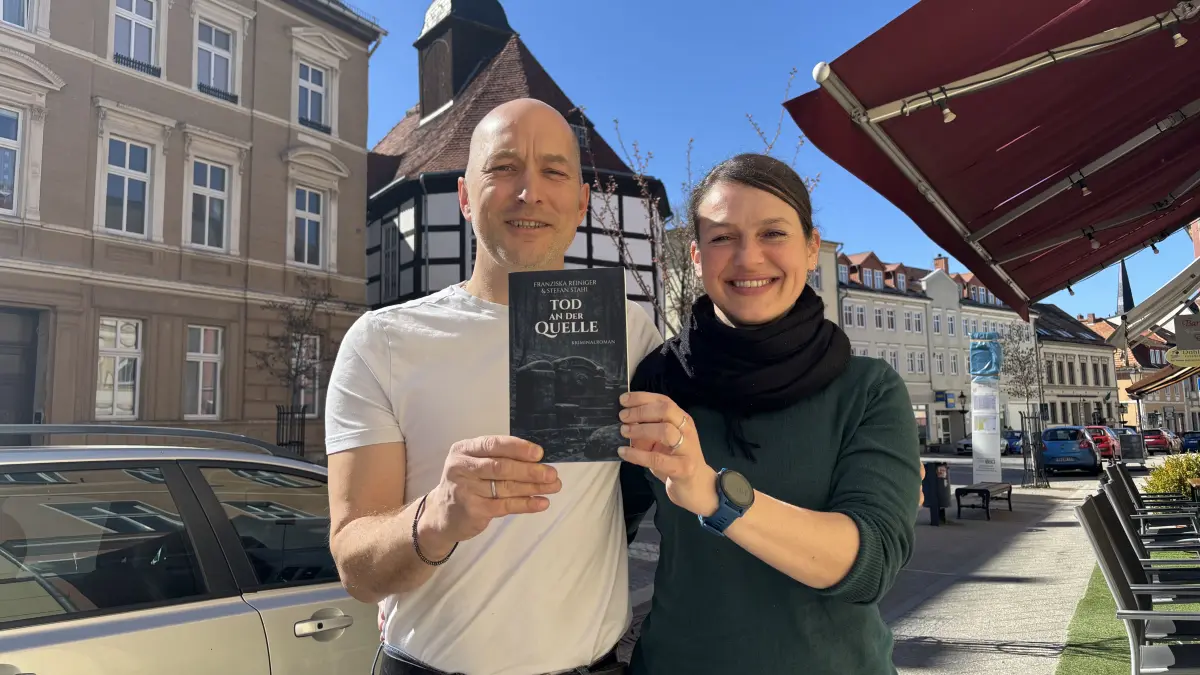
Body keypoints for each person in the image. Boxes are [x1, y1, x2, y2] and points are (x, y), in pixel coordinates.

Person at [325, 98, 662, 675]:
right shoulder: (382, 342)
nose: (529, 191)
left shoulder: (629, 331)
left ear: (581, 203)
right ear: (463, 196)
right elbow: (356, 568)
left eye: (554, 171)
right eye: (503, 168)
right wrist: (435, 518)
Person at [618, 153, 921, 674]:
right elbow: (596, 526)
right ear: (695, 256)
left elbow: (869, 566)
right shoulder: (657, 381)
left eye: (773, 234)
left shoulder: (867, 389)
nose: (748, 258)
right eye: (722, 237)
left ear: (809, 248)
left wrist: (715, 495)